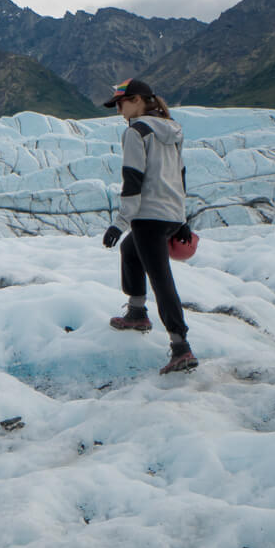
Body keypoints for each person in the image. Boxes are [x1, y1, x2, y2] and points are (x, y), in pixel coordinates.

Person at [101, 78, 198, 374]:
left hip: (148, 216)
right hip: (169, 213)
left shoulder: (136, 132)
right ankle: (136, 312)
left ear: (139, 100)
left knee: (161, 279)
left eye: (122, 102)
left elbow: (133, 178)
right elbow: (179, 174)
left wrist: (120, 223)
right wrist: (181, 219)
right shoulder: (173, 130)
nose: (119, 109)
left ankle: (180, 346)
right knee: (131, 251)